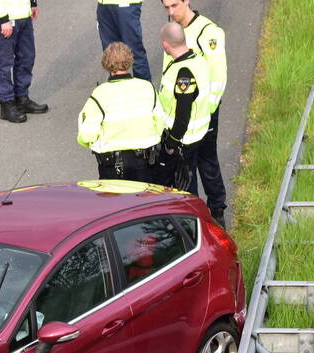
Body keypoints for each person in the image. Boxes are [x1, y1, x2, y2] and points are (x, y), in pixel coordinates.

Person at [160, 0, 227, 225]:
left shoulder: (208, 32)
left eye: (175, 5)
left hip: (203, 114)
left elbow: (219, 77)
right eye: (166, 7)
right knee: (186, 172)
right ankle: (197, 219)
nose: (171, 12)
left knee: (207, 163)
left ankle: (217, 211)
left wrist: (206, 112)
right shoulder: (175, 32)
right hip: (182, 116)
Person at [77, 43, 163, 182]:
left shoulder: (99, 94)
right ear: (130, 61)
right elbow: (159, 124)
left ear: (106, 64)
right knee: (145, 202)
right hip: (145, 163)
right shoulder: (147, 88)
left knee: (116, 203)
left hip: (112, 166)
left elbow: (87, 135)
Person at [157, 23, 213, 195]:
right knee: (188, 183)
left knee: (183, 190)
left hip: (184, 140)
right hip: (198, 135)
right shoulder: (198, 59)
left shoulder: (183, 72)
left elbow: (183, 113)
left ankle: (191, 221)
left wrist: (171, 144)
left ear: (165, 44)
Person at [0, 0, 49, 123]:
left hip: (24, 15)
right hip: (5, 19)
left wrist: (32, 3)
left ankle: (22, 98)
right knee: (4, 62)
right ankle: (6, 103)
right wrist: (3, 18)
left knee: (27, 57)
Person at [95, 0, 151, 81]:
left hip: (126, 4)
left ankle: (144, 90)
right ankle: (118, 89)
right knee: (111, 53)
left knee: (134, 51)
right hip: (103, 4)